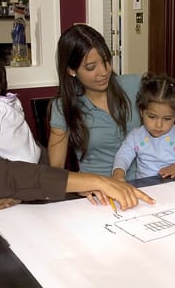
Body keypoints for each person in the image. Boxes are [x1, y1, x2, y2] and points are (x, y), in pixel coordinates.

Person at [0, 34, 154, 217]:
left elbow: (34, 160)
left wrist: (33, 189)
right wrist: (97, 181)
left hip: (13, 214)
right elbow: (4, 175)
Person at [49, 24, 141, 181]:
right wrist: (83, 187)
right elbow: (55, 171)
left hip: (147, 183)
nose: (104, 72)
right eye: (91, 67)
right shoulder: (63, 107)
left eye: (106, 60)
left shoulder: (135, 85)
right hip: (98, 191)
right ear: (71, 70)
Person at [112, 73, 175, 180]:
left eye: (167, 119)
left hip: (174, 188)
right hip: (145, 189)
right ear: (142, 112)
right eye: (152, 117)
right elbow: (123, 156)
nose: (159, 125)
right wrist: (118, 173)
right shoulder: (135, 136)